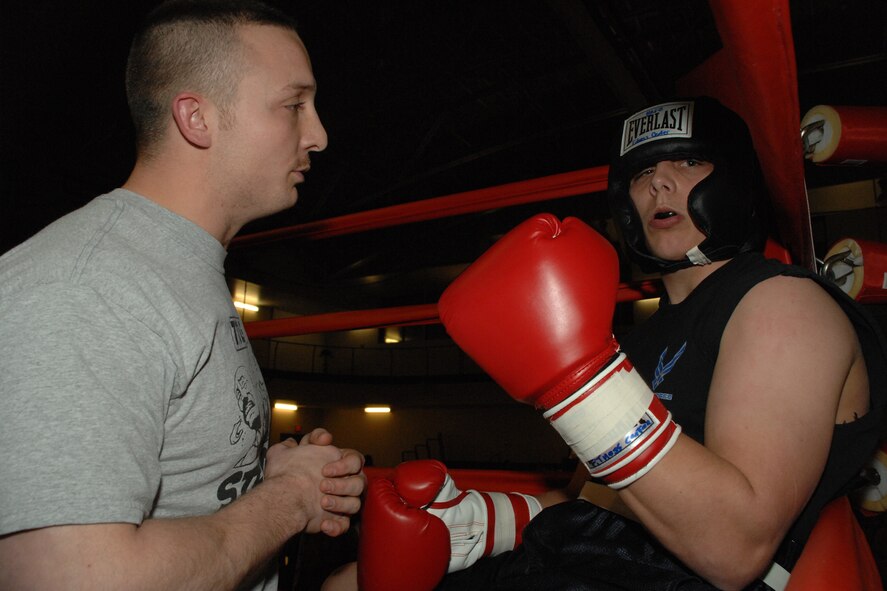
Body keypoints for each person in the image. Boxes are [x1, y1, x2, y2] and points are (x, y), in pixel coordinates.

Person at [351, 97, 886, 590]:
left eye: (689, 163)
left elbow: (735, 547)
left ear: (735, 181)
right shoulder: (636, 339)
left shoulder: (783, 304)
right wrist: (483, 523)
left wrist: (580, 383)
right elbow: (596, 500)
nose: (659, 183)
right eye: (643, 172)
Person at [0, 1, 365, 590]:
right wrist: (290, 500)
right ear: (197, 119)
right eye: (294, 105)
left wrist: (268, 480)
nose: (318, 135)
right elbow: (72, 578)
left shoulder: (178, 270)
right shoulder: (86, 290)